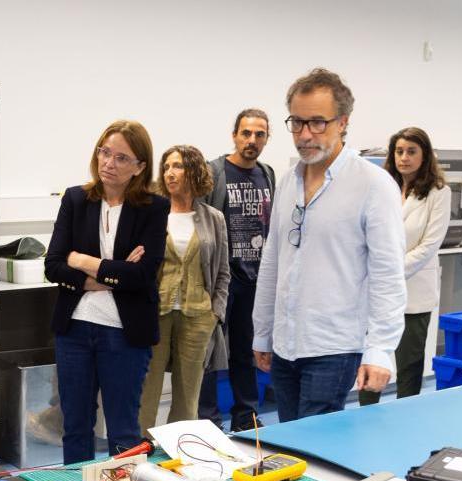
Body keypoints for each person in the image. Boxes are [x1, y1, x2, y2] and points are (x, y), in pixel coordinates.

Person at [253, 68, 406, 422]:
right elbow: (273, 262)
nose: (305, 135)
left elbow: (388, 274)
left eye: (318, 123)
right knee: (289, 442)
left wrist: (380, 349)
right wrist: (263, 332)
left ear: (343, 123)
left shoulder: (373, 185)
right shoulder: (288, 183)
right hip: (286, 343)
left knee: (316, 447)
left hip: (334, 346)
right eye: (297, 123)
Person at [44, 120, 169, 464]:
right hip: (75, 330)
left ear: (140, 167)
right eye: (104, 152)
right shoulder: (75, 199)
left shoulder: (153, 208)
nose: (109, 163)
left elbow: (143, 275)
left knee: (123, 431)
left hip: (125, 334)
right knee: (75, 426)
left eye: (121, 158)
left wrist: (83, 260)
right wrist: (114, 273)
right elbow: (53, 264)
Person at [138, 145, 230, 433]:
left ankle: (175, 451)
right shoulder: (153, 213)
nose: (170, 173)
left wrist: (215, 312)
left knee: (188, 396)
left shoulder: (213, 218)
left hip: (198, 315)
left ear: (193, 170)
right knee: (146, 390)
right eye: (166, 167)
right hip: (156, 312)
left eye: (177, 166)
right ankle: (138, 449)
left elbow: (223, 271)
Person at [359, 127, 451, 405]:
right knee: (371, 358)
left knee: (409, 364)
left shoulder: (438, 192)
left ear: (424, 156)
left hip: (414, 292)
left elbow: (429, 245)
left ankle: (406, 415)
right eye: (399, 151)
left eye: (411, 151)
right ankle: (365, 417)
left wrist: (388, 272)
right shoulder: (382, 188)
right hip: (376, 292)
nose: (404, 158)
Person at [198, 109, 276, 432]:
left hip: (254, 279)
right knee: (209, 352)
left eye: (259, 135)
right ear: (234, 135)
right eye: (246, 133)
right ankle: (207, 420)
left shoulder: (268, 174)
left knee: (245, 350)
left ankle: (246, 417)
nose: (252, 140)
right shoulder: (215, 172)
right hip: (221, 279)